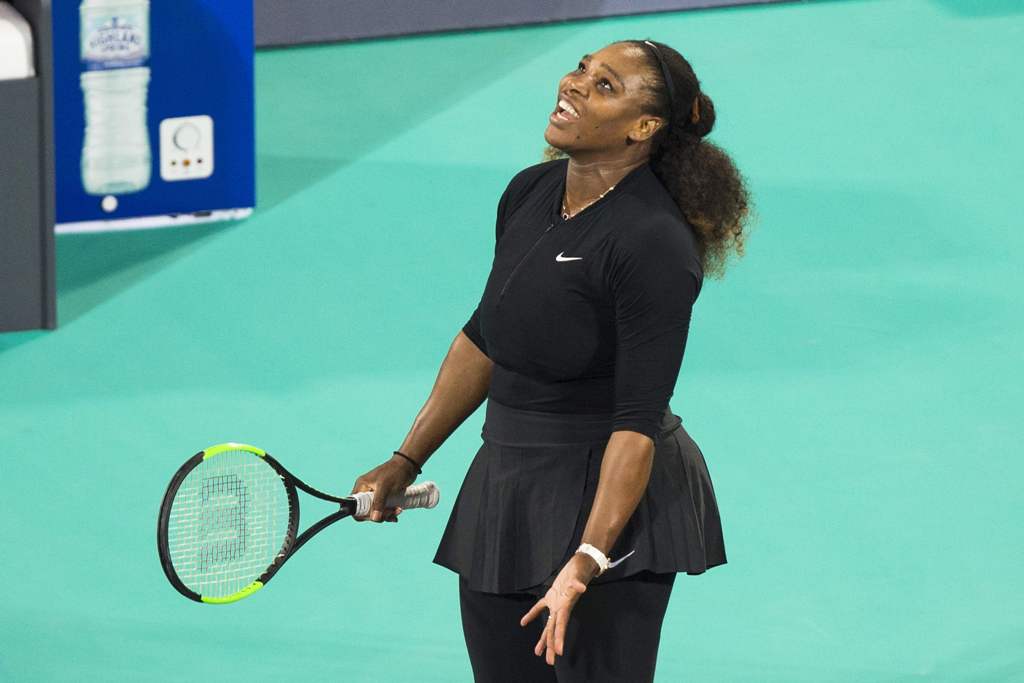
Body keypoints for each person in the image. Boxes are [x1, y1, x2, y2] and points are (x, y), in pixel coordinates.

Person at [349, 38, 753, 682]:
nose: (573, 85)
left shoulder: (651, 243)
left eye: (604, 87)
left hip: (608, 498)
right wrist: (406, 459)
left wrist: (589, 558)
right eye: (582, 69)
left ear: (643, 128)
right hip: (506, 489)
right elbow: (486, 337)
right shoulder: (529, 192)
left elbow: (637, 423)